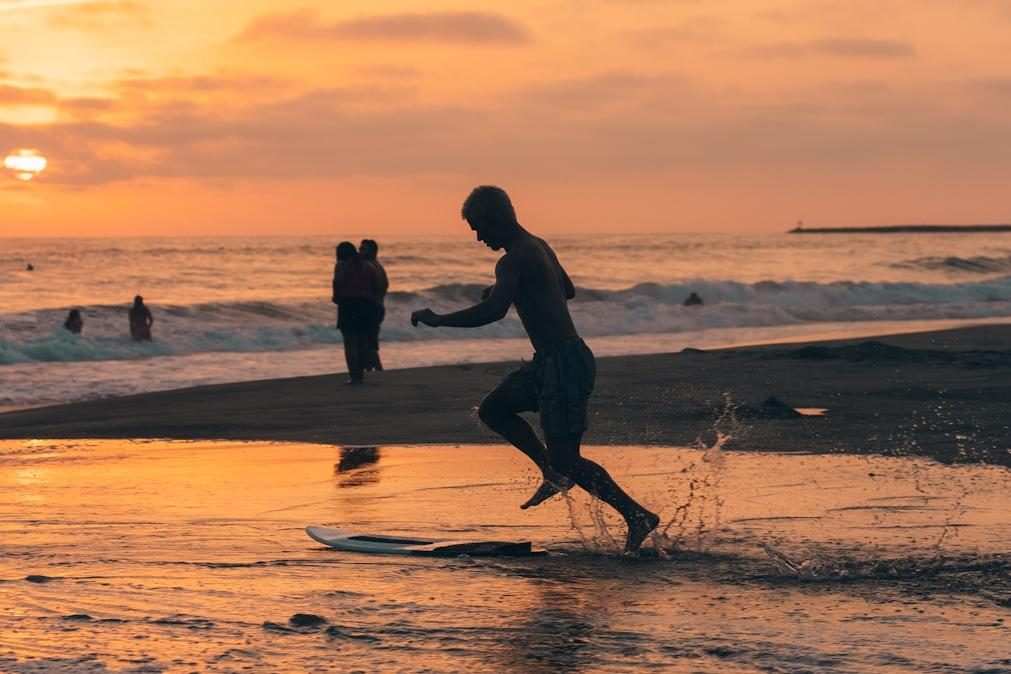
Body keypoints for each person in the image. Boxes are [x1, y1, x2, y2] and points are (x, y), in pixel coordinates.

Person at [411, 186, 659, 553]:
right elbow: (567, 289)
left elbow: (492, 313)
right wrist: (510, 288)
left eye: (480, 228)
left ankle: (636, 516)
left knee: (567, 456)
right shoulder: (538, 245)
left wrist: (438, 319)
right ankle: (552, 472)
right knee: (493, 410)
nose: (479, 238)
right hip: (550, 361)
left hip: (564, 361)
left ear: (496, 219)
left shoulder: (512, 259)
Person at [332, 241, 382, 385]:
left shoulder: (341, 265)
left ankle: (354, 377)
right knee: (362, 342)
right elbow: (377, 284)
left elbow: (338, 281)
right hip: (366, 305)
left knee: (350, 343)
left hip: (349, 305)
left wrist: (336, 297)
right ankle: (360, 376)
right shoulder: (368, 265)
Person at [359, 239, 389, 372]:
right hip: (378, 308)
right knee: (370, 342)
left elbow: (372, 289)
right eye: (360, 249)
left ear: (372, 251)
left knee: (369, 344)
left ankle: (377, 370)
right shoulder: (378, 267)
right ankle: (371, 369)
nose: (360, 252)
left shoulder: (371, 267)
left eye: (363, 249)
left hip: (372, 309)